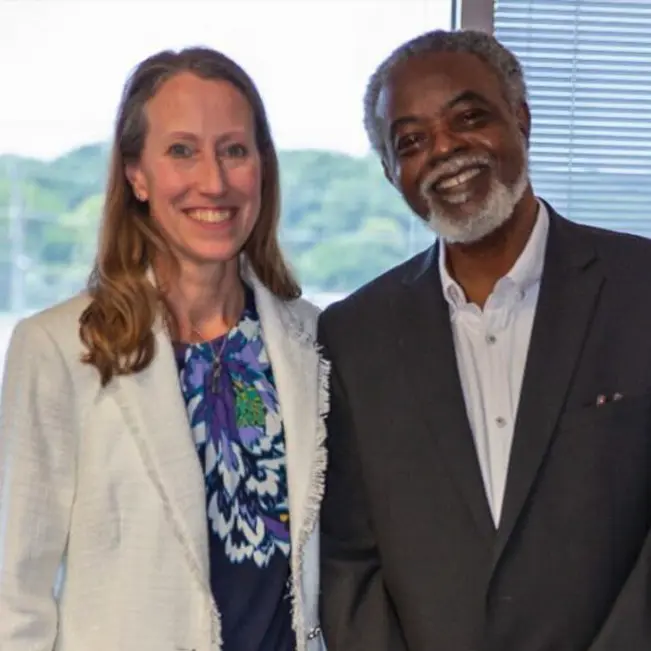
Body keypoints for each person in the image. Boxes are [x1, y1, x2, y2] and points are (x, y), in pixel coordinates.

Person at [318, 28, 651, 651]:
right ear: (393, 172)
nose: (446, 150)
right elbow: (349, 561)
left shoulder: (641, 290)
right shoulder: (354, 335)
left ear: (520, 119)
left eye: (469, 117)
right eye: (412, 140)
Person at [0, 47, 328, 651]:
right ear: (136, 175)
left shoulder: (317, 341)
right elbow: (13, 594)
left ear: (262, 167)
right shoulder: (56, 349)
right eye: (182, 151)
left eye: (234, 150)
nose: (215, 180)